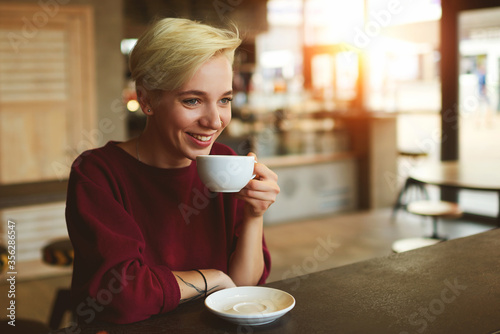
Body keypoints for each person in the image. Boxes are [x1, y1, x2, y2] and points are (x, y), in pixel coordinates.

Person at [65, 17, 279, 325]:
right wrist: (212, 278)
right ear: (147, 99)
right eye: (192, 100)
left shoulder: (227, 160)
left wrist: (254, 215)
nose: (215, 121)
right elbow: (120, 297)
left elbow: (241, 289)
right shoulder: (98, 173)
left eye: (224, 100)